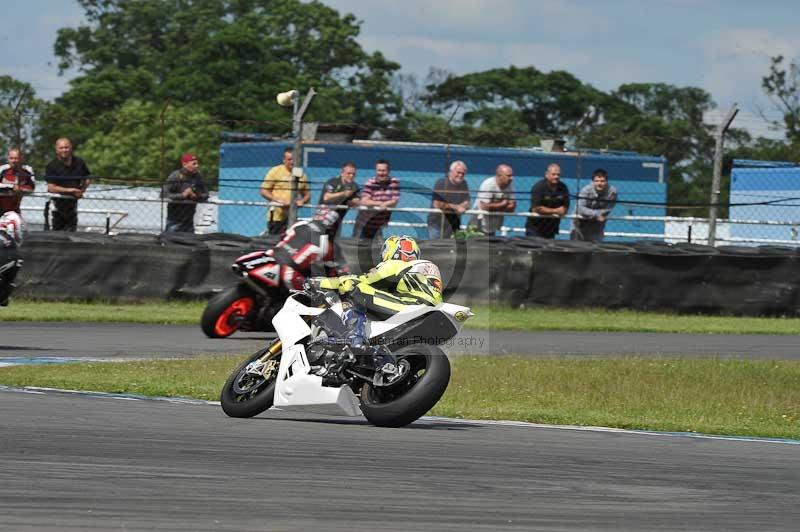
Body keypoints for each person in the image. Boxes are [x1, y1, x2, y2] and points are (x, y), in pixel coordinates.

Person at [311, 235, 442, 385]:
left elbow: (360, 280)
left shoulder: (396, 264)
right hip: (427, 310)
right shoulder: (423, 267)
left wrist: (320, 283)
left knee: (355, 288)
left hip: (410, 305)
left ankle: (355, 338)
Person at [254, 207, 348, 292]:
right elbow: (329, 269)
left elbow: (283, 237)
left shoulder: (300, 223)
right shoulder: (327, 245)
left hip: (268, 257)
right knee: (312, 296)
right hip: (288, 272)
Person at [260, 147, 310, 235]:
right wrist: (278, 201)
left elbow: (307, 194)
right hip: (276, 216)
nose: (292, 162)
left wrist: (302, 201)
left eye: (294, 159)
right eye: (289, 159)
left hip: (292, 216)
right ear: (284, 160)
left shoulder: (300, 173)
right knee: (275, 241)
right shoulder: (275, 171)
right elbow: (264, 190)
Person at [44, 137, 91, 231]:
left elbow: (87, 178)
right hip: (55, 208)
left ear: (71, 148)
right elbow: (51, 188)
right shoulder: (52, 165)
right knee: (53, 237)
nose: (64, 150)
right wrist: (71, 191)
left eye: (66, 147)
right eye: (61, 148)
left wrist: (82, 190)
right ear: (56, 150)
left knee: (71, 236)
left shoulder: (79, 162)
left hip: (72, 208)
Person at [161, 152, 210, 233]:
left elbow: (206, 194)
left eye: (197, 163)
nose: (197, 166)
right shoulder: (175, 176)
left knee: (190, 244)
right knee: (170, 243)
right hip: (174, 220)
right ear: (184, 164)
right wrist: (182, 195)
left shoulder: (197, 176)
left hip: (189, 221)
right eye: (194, 164)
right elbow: (163, 194)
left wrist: (196, 196)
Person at [352, 160, 400, 240]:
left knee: (376, 250)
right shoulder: (370, 183)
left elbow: (394, 201)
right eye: (379, 170)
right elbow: (364, 201)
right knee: (358, 248)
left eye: (383, 170)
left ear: (388, 171)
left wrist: (385, 204)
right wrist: (381, 204)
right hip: (364, 223)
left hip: (379, 224)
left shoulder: (393, 183)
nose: (381, 173)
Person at [571, 168, 618, 242]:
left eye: (602, 181)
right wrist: (597, 214)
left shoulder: (612, 192)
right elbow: (580, 208)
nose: (599, 183)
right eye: (597, 181)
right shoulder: (586, 190)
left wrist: (600, 215)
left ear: (606, 181)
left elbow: (609, 207)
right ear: (593, 181)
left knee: (595, 247)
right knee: (577, 246)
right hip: (580, 222)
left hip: (597, 225)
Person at [525, 163, 570, 239]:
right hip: (535, 228)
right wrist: (555, 211)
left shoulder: (563, 188)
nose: (556, 177)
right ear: (546, 175)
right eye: (553, 174)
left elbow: (565, 208)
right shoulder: (539, 187)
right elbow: (536, 208)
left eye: (558, 175)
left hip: (552, 228)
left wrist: (562, 210)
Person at [428, 160, 470, 239]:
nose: (460, 175)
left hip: (452, 224)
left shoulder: (464, 184)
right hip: (437, 222)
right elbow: (437, 203)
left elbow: (467, 202)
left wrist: (464, 206)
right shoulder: (442, 183)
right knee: (435, 246)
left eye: (463, 173)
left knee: (450, 248)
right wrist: (457, 207)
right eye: (458, 172)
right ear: (451, 172)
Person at [471, 164, 516, 236]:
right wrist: (502, 204)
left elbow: (512, 207)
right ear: (499, 175)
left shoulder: (509, 186)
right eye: (509, 176)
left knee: (490, 245)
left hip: (492, 225)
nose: (512, 178)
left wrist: (495, 207)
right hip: (479, 224)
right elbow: (484, 206)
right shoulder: (489, 184)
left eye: (512, 175)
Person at [319, 161, 360, 236]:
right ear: (342, 173)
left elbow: (357, 202)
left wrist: (350, 201)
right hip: (323, 215)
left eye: (353, 174)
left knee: (334, 241)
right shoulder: (333, 182)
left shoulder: (354, 186)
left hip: (338, 218)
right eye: (349, 173)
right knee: (320, 239)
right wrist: (343, 194)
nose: (351, 176)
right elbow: (326, 197)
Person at [0, 148, 36, 216]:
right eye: (11, 158)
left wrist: (20, 188)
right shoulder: (2, 169)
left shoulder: (27, 170)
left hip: (15, 209)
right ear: (8, 159)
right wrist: (12, 186)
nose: (14, 161)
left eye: (16, 158)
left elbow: (32, 188)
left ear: (21, 159)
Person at [0, 211, 24, 307]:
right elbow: (19, 239)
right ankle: (3, 297)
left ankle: (3, 296)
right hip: (14, 256)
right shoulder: (13, 242)